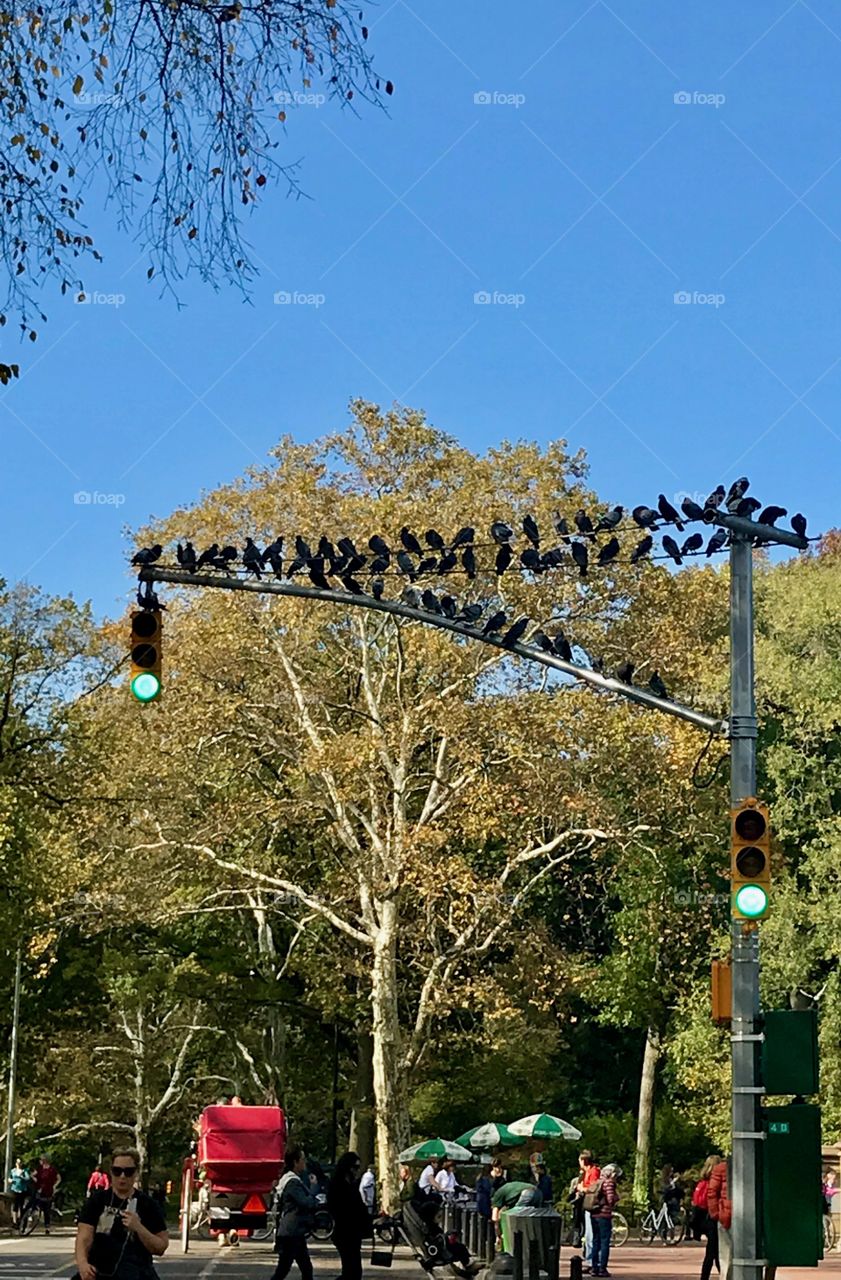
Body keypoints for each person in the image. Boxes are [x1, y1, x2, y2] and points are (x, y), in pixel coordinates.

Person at [74, 1147, 168, 1280]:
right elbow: (84, 1237)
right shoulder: (97, 1201)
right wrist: (83, 1264)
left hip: (137, 1273)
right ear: (111, 1172)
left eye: (128, 1172)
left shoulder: (148, 1205)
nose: (122, 1176)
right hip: (99, 1272)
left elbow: (161, 1247)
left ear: (136, 1173)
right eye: (117, 1171)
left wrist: (139, 1228)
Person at [273, 1144, 319, 1280]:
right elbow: (306, 1202)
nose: (305, 1162)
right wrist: (314, 1188)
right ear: (295, 1162)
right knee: (284, 1270)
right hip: (291, 1232)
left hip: (294, 1232)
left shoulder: (290, 1180)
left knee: (305, 1269)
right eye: (302, 1159)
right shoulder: (292, 1182)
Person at [328, 1152, 371, 1280]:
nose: (357, 1171)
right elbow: (341, 1207)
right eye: (355, 1167)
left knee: (353, 1270)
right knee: (352, 1271)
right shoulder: (338, 1185)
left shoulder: (351, 1184)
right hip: (344, 1231)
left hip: (352, 1232)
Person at [490, 1179, 542, 1254]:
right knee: (534, 1220)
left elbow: (495, 1218)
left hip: (527, 1193)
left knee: (517, 1219)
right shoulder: (510, 1191)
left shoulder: (497, 1195)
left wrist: (499, 1236)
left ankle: (517, 1247)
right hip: (538, 1192)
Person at [588, 1161, 620, 1279]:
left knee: (595, 1241)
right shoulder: (609, 1183)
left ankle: (594, 1268)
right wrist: (616, 1198)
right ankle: (602, 1268)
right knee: (604, 1242)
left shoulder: (598, 1181)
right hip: (604, 1215)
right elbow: (610, 1199)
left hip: (594, 1214)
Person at [707, 1157, 732, 1280]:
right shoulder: (756, 1165)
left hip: (726, 1216)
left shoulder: (721, 1168)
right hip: (728, 1217)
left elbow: (712, 1191)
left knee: (725, 1258)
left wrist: (716, 1214)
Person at [575, 1150, 601, 1264]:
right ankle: (590, 1258)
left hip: (591, 1205)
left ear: (583, 1161)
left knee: (591, 1234)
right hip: (586, 1204)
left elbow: (594, 1188)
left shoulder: (593, 1171)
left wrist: (582, 1189)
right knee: (588, 1234)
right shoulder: (585, 1172)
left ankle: (592, 1261)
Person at [33, 1155, 61, 1234]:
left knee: (47, 1209)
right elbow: (33, 1175)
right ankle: (36, 1215)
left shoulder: (52, 1169)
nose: (40, 1161)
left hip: (48, 1190)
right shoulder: (39, 1169)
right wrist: (35, 1180)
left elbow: (59, 1178)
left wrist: (54, 1186)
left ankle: (47, 1226)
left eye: (41, 1160)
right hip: (40, 1189)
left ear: (44, 1161)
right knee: (35, 1203)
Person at [8, 1158, 31, 1225]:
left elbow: (28, 1178)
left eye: (20, 1163)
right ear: (16, 1163)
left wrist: (22, 1177)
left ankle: (21, 1221)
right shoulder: (13, 1171)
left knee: (21, 1206)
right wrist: (10, 1181)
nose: (19, 1164)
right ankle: (14, 1222)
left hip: (22, 1190)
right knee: (15, 1205)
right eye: (18, 1163)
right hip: (14, 1189)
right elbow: (9, 1178)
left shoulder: (24, 1171)